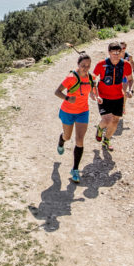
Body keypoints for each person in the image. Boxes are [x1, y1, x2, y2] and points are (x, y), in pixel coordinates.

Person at [54, 53, 93, 183]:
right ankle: (61, 140)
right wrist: (67, 98)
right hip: (68, 111)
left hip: (83, 111)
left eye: (88, 66)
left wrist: (96, 97)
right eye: (83, 65)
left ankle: (75, 169)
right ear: (78, 65)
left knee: (80, 140)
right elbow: (57, 91)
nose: (86, 68)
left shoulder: (91, 78)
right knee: (67, 136)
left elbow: (92, 90)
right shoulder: (71, 78)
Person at [91, 41, 134, 151]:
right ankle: (100, 129)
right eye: (113, 52)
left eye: (118, 52)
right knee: (106, 120)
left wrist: (130, 90)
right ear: (109, 52)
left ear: (121, 52)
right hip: (103, 97)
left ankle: (107, 140)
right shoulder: (101, 64)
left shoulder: (126, 65)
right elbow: (92, 78)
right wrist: (93, 92)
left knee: (115, 121)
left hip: (118, 97)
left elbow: (130, 79)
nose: (116, 55)